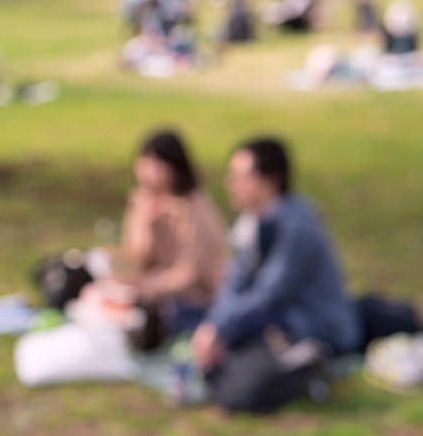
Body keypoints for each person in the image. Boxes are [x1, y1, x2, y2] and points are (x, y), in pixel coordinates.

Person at [191, 138, 361, 413]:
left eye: (240, 178)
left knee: (237, 384)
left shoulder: (298, 229)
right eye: (230, 177)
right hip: (277, 317)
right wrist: (213, 327)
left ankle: (304, 363)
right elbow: (234, 286)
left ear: (271, 179)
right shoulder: (251, 224)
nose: (231, 185)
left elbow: (271, 291)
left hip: (315, 326)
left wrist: (223, 329)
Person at [85, 130, 227, 351]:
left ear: (176, 168)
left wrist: (144, 289)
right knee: (96, 283)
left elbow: (190, 274)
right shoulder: (143, 200)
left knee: (159, 317)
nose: (149, 173)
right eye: (145, 164)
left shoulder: (193, 210)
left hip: (191, 297)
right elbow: (136, 256)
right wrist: (146, 223)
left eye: (158, 166)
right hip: (151, 287)